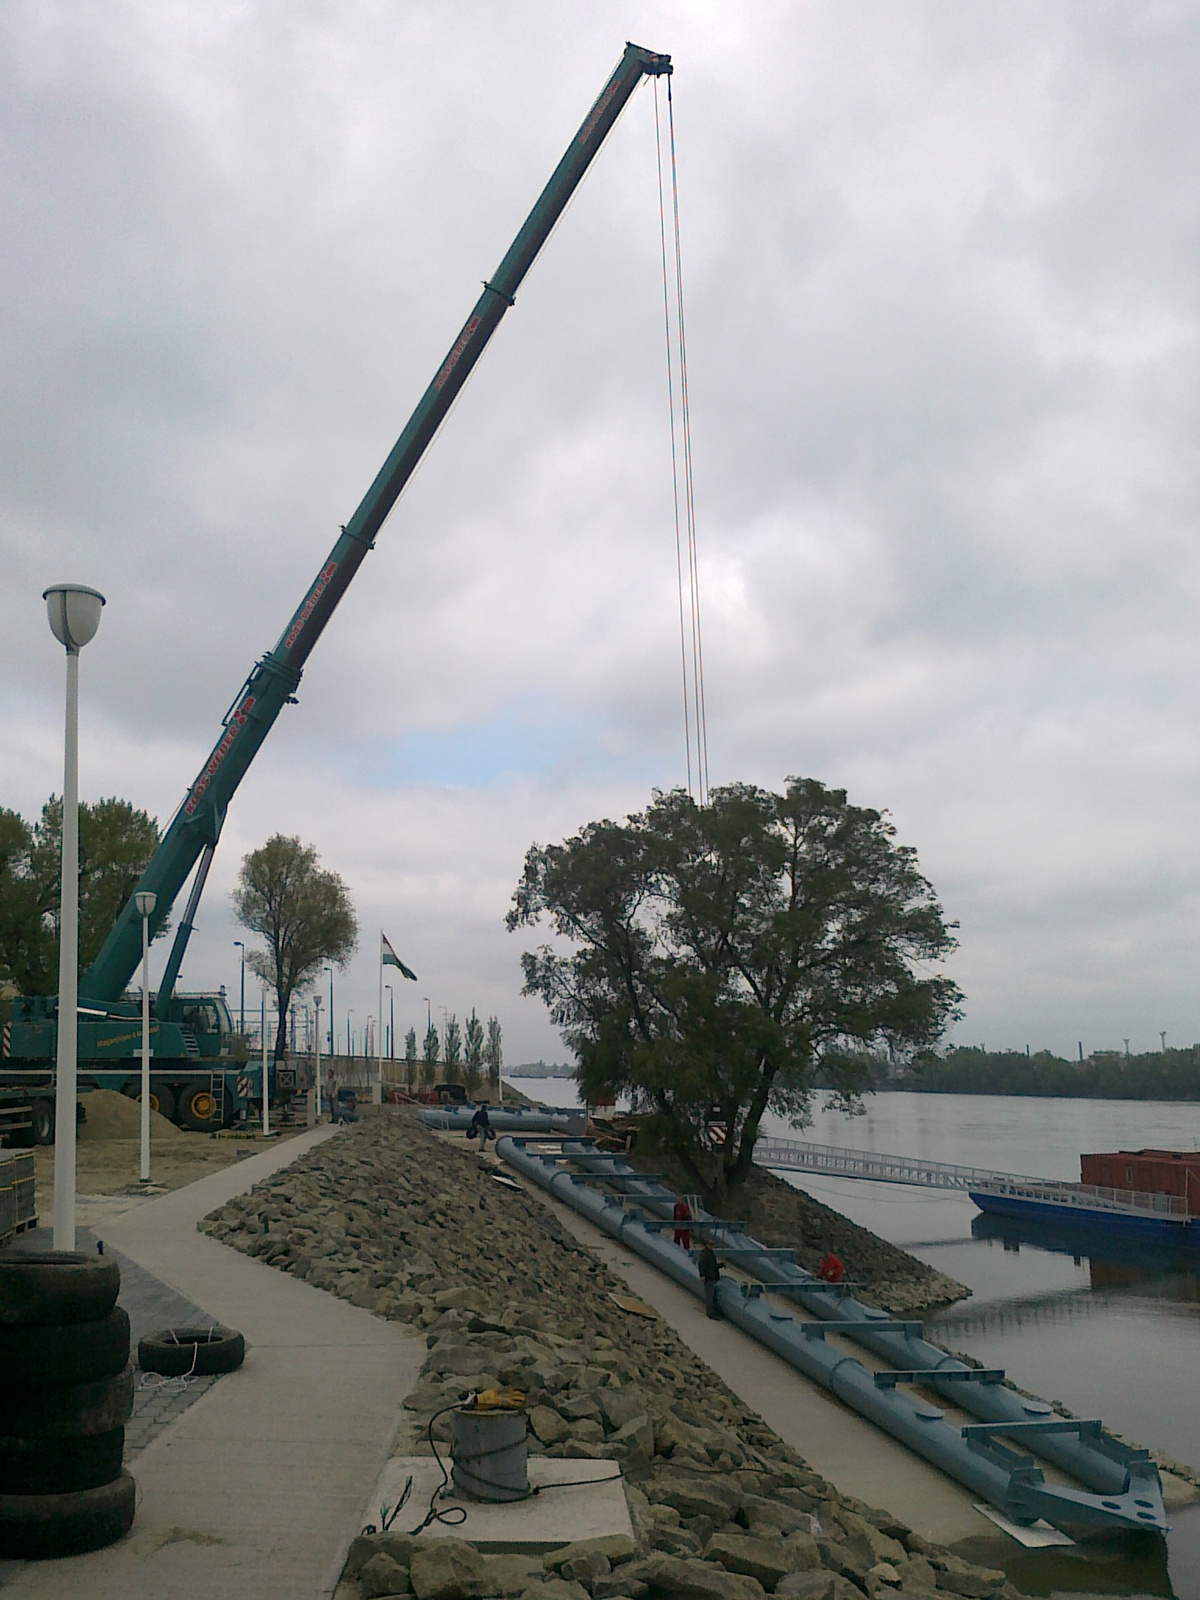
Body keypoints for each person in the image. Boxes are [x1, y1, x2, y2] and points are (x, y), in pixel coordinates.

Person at [698, 1242, 722, 1319]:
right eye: (711, 1244)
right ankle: (710, 1313)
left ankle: (714, 1311)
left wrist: (721, 1265)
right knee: (709, 1296)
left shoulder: (710, 1253)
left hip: (712, 1277)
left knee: (712, 1295)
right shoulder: (705, 1253)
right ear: (707, 1245)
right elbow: (701, 1264)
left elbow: (713, 1266)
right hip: (709, 1277)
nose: (712, 1246)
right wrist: (702, 1275)